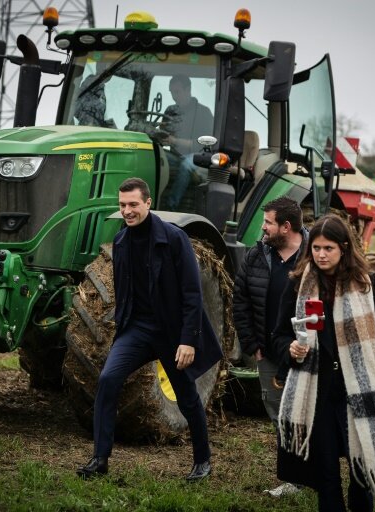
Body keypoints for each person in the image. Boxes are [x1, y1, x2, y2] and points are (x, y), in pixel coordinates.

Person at [76, 177, 223, 482]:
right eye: (122, 205)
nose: (127, 211)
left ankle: (203, 461)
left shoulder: (174, 239)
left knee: (186, 396)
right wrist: (123, 327)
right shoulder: (121, 242)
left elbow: (192, 294)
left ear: (148, 203)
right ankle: (100, 458)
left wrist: (188, 340)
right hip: (137, 330)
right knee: (108, 379)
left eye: (133, 204)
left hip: (172, 332)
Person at [273, 214, 375, 511]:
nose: (321, 254)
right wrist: (290, 348)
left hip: (358, 389)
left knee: (361, 470)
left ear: (343, 248)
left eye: (328, 248)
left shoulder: (365, 283)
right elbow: (278, 335)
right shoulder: (299, 283)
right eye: (316, 248)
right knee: (326, 473)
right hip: (318, 393)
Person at [233, 197, 307, 424]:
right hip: (267, 353)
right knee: (277, 412)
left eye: (268, 222)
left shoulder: (313, 256)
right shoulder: (256, 256)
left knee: (305, 411)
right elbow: (240, 301)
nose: (263, 227)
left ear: (286, 227)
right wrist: (252, 346)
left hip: (305, 352)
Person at [159, 75, 214, 210]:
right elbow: (163, 133)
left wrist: (175, 141)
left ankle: (170, 206)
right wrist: (161, 137)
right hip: (175, 156)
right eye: (172, 92)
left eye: (177, 92)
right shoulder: (170, 111)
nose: (174, 96)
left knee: (186, 165)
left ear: (188, 89)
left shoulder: (204, 113)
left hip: (199, 157)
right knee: (153, 156)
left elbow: (205, 144)